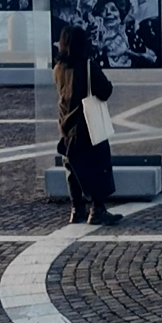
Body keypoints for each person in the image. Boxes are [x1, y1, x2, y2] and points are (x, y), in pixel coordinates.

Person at [54, 24, 122, 225]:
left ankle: (77, 210)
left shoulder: (58, 68)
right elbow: (106, 90)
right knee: (98, 166)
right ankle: (98, 209)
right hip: (87, 125)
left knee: (73, 168)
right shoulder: (87, 65)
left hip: (66, 123)